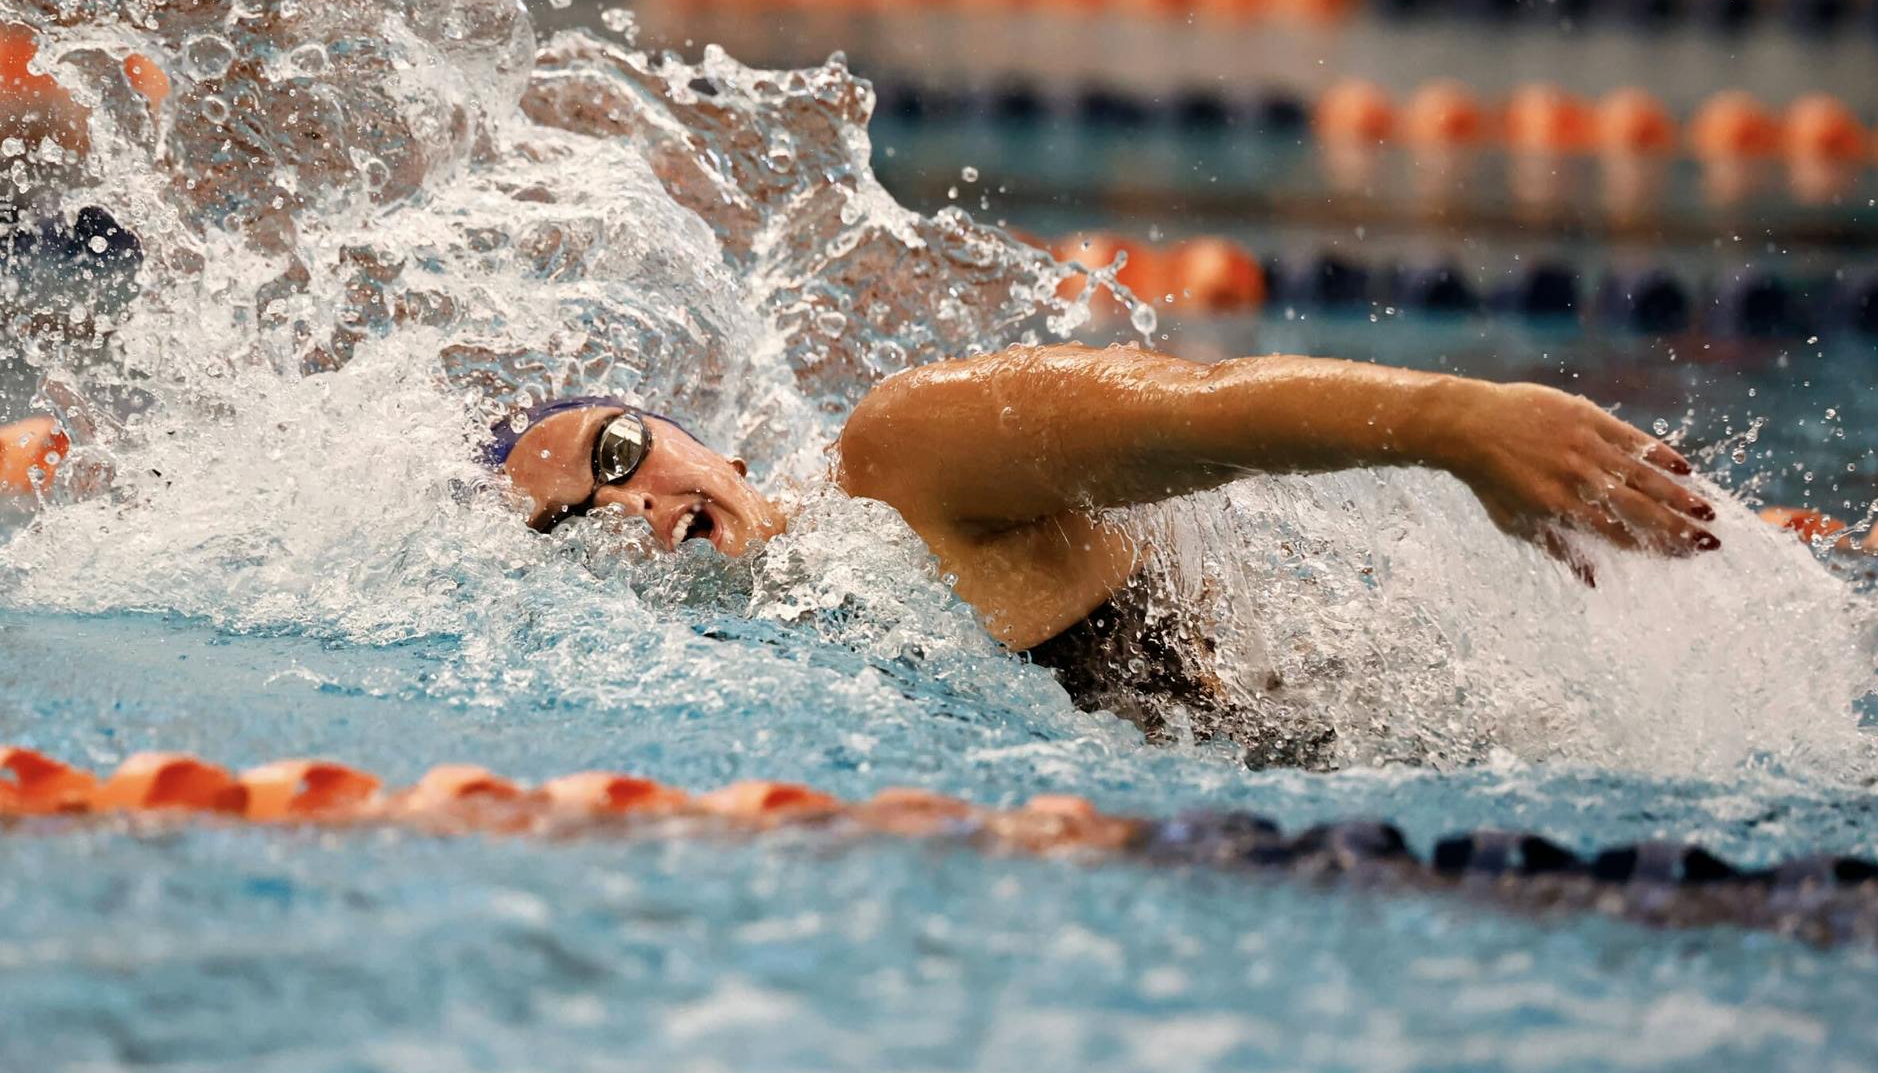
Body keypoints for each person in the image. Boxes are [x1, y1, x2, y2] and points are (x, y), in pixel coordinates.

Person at [488, 344, 1721, 763]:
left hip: (1391, 767)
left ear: (707, 439)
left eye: (618, 454)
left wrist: (1463, 423)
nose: (637, 506)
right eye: (583, 523)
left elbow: (1196, 408)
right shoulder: (750, 670)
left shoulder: (901, 461)